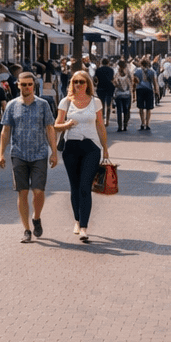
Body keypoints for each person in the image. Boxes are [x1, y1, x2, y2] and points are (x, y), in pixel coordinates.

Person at [0, 71, 60, 243]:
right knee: (22, 192)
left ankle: (36, 217)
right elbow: (5, 130)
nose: (26, 87)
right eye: (23, 84)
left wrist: (54, 152)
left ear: (34, 85)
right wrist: (1, 154)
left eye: (29, 84)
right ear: (18, 85)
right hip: (18, 153)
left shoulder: (43, 104)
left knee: (38, 191)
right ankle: (26, 229)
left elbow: (50, 128)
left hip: (39, 153)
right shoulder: (12, 105)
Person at [53, 70, 110, 243]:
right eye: (75, 82)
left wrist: (105, 148)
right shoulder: (66, 101)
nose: (78, 85)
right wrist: (67, 124)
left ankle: (84, 227)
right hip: (71, 147)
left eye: (82, 82)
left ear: (88, 84)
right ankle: (77, 221)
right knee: (75, 186)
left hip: (91, 148)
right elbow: (56, 125)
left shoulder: (95, 102)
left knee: (85, 186)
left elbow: (100, 125)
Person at [134, 59, 157, 131]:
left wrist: (133, 90)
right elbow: (154, 82)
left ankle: (142, 123)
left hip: (140, 89)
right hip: (149, 89)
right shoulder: (151, 71)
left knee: (141, 107)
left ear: (141, 64)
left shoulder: (137, 71)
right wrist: (156, 90)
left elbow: (134, 81)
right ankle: (147, 124)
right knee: (148, 108)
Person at [93, 56, 116, 123]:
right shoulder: (111, 70)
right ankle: (107, 120)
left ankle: (102, 119)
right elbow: (112, 79)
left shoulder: (98, 70)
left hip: (100, 87)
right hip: (109, 88)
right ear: (108, 62)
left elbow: (95, 79)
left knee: (101, 104)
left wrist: (95, 84)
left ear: (101, 62)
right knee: (108, 105)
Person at [112, 63, 133, 132]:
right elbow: (130, 86)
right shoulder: (127, 77)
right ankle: (125, 124)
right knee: (126, 110)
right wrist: (132, 95)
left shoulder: (116, 76)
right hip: (126, 95)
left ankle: (119, 126)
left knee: (119, 111)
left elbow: (115, 85)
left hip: (118, 95)